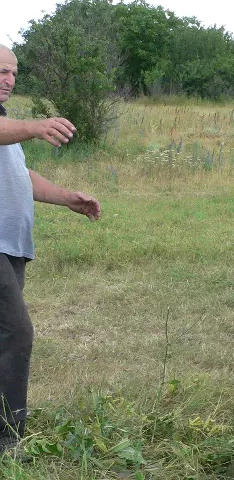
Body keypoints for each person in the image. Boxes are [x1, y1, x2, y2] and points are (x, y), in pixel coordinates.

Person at [0, 44, 101, 456]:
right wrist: (36, 126)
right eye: (0, 72)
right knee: (17, 332)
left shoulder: (6, 124)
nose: (7, 80)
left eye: (12, 74)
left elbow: (21, 174)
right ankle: (9, 439)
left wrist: (66, 198)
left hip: (11, 246)